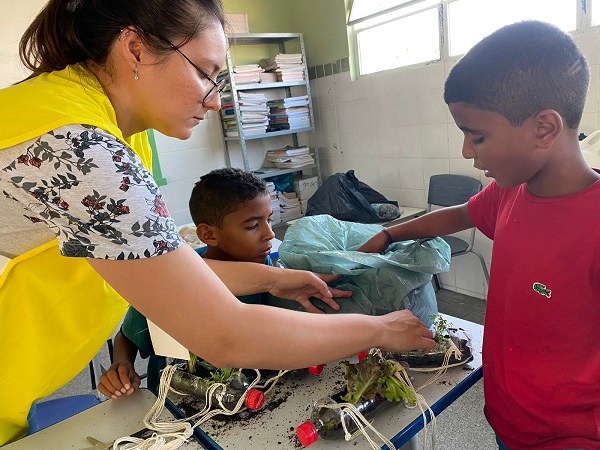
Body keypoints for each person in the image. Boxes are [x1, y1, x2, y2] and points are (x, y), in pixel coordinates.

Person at [0, 0, 434, 444]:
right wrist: (382, 328)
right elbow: (227, 335)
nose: (215, 99)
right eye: (207, 72)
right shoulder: (84, 151)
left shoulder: (91, 123)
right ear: (135, 48)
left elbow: (166, 270)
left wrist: (275, 279)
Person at [359, 20, 600, 450]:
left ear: (544, 128)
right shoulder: (509, 193)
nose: (467, 152)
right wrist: (388, 236)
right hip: (507, 417)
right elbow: (457, 215)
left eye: (477, 136)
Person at [98, 167, 279, 398]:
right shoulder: (170, 282)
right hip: (177, 400)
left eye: (269, 220)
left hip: (249, 394)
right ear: (209, 235)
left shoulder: (266, 269)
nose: (270, 234)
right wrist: (122, 366)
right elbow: (127, 336)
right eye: (253, 226)